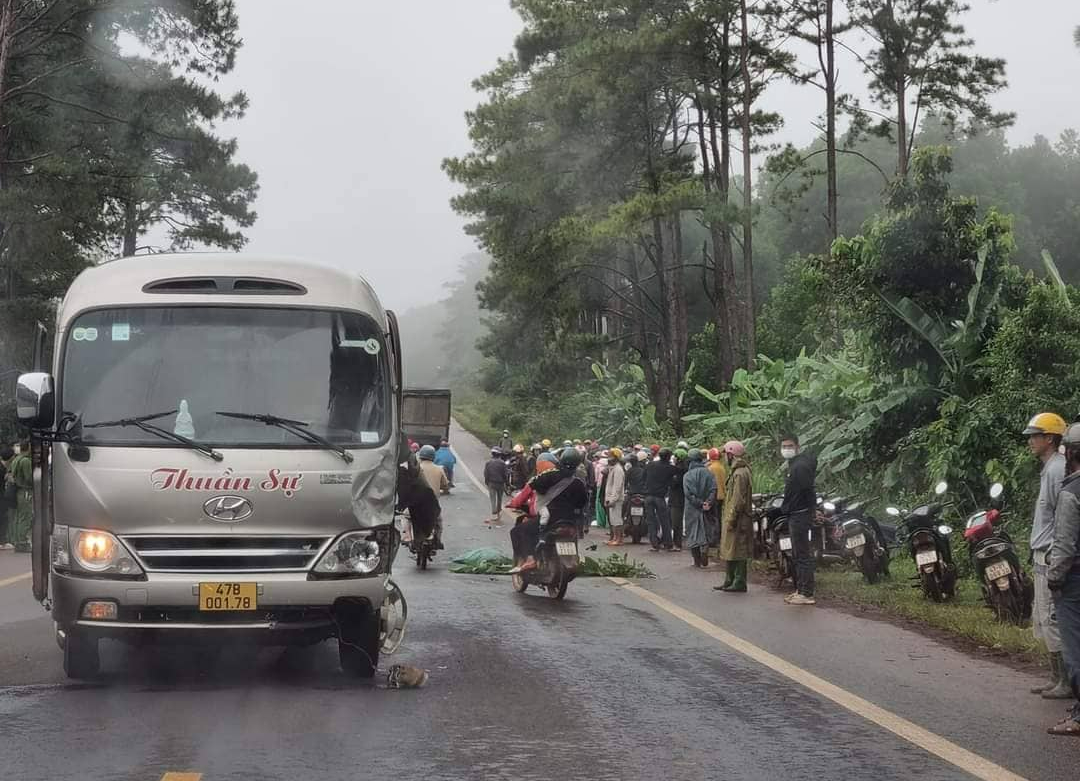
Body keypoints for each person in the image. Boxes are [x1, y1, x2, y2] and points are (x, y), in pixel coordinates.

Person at [1023, 412, 1072, 699]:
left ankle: (1065, 680)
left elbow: (1061, 516)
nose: (1031, 441)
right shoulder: (1050, 467)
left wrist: (1055, 554)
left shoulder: (1057, 469)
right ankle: (1056, 676)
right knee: (1043, 617)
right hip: (1042, 554)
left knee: (1052, 618)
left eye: (1035, 435)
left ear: (1050, 438)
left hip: (1050, 555)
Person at [1046, 422, 1080, 735]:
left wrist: (1054, 578)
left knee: (1075, 650)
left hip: (1074, 580)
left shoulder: (1071, 492)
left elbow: (1065, 544)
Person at [511, 448, 589, 573]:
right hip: (569, 522)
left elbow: (531, 486)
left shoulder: (548, 475)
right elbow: (583, 502)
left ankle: (530, 559)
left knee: (518, 531)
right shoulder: (578, 483)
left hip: (550, 520)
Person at [770, 434, 817, 605]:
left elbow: (808, 489)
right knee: (797, 554)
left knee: (802, 554)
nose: (786, 449)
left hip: (800, 513)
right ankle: (801, 590)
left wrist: (813, 509)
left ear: (797, 447)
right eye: (784, 446)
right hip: (796, 512)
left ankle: (806, 593)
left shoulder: (800, 466)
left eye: (789, 446)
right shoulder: (795, 465)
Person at [715, 441, 753, 592]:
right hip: (732, 515)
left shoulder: (740, 473)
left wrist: (732, 518)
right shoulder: (736, 471)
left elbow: (738, 500)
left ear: (731, 455)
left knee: (738, 549)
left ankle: (739, 581)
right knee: (729, 549)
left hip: (738, 517)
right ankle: (729, 579)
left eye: (726, 455)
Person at [682, 450, 717, 567]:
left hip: (692, 508)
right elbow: (713, 489)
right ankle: (705, 549)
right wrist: (708, 502)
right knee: (706, 529)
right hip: (708, 508)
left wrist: (699, 503)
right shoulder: (709, 473)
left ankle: (696, 561)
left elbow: (688, 494)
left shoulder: (687, 475)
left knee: (692, 532)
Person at [644, 447, 678, 551]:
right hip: (660, 498)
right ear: (668, 457)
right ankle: (668, 544)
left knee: (651, 521)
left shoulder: (650, 465)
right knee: (665, 522)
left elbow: (644, 476)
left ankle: (654, 544)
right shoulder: (670, 468)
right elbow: (678, 476)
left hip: (648, 496)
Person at [415, 445, 447, 548]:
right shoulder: (439, 469)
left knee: (407, 517)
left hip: (416, 503)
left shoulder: (415, 468)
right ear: (433, 456)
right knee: (438, 522)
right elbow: (445, 484)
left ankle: (407, 537)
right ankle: (438, 540)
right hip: (432, 504)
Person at [7, 440, 33, 553]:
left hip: (18, 491)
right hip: (25, 491)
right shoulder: (26, 461)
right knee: (25, 517)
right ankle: (23, 541)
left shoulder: (16, 459)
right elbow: (29, 478)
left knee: (18, 517)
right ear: (28, 448)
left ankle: (17, 540)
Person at [706, 447, 728, 555]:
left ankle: (713, 540)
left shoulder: (710, 468)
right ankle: (719, 538)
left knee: (712, 519)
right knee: (718, 517)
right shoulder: (721, 467)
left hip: (713, 496)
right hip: (721, 496)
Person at [605, 448, 627, 546]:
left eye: (611, 456)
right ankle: (615, 538)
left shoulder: (618, 469)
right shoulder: (613, 468)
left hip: (616, 499)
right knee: (613, 519)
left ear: (616, 458)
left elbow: (617, 487)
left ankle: (619, 539)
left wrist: (613, 499)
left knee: (617, 519)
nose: (608, 458)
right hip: (611, 498)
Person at [669, 449, 688, 553]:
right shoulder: (684, 469)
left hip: (677, 499)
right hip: (680, 498)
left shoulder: (679, 471)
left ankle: (677, 544)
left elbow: (673, 484)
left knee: (676, 522)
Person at [484, 447, 509, 523]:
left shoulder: (488, 463)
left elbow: (486, 474)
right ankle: (498, 513)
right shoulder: (502, 463)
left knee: (492, 498)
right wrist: (506, 483)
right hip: (500, 483)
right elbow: (505, 474)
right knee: (499, 498)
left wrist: (486, 481)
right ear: (499, 454)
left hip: (491, 483)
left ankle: (494, 511)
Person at [0, 445, 14, 550]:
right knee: (3, 518)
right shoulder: (2, 469)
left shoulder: (3, 468)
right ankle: (2, 542)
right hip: (1, 497)